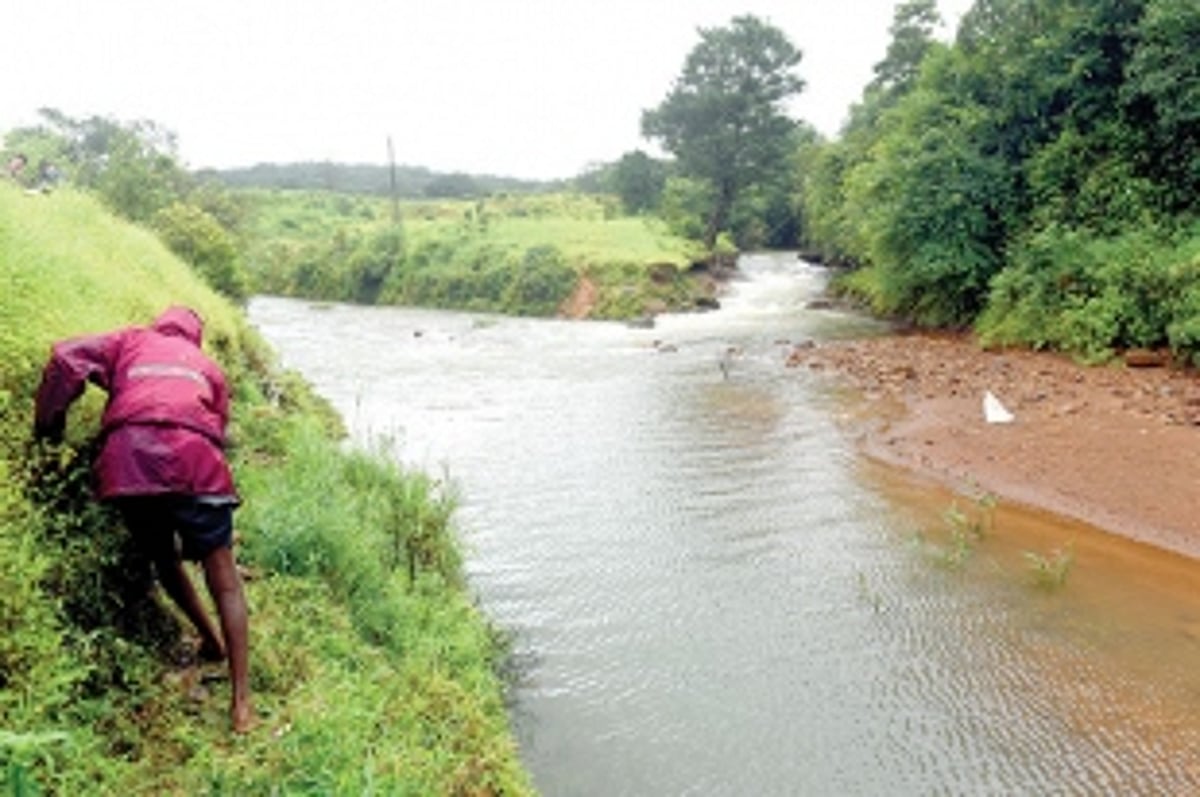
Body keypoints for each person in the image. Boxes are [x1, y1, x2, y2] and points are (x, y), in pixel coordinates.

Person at [33, 306, 255, 733]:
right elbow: (218, 430)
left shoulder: (128, 342)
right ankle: (242, 704)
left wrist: (48, 433)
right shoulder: (208, 366)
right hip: (196, 460)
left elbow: (65, 357)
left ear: (159, 327)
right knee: (224, 577)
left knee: (164, 560)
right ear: (195, 337)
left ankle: (210, 641)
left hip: (129, 460)